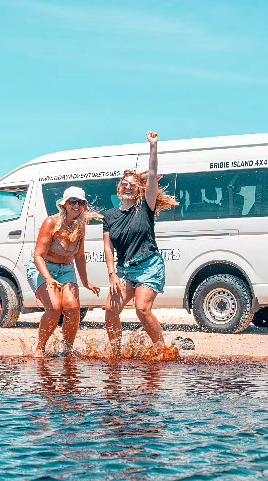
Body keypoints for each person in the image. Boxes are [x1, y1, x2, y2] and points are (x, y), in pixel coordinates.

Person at [103, 130, 179, 356]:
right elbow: (108, 247)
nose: (128, 187)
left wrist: (153, 146)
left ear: (140, 190)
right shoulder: (110, 216)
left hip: (149, 266)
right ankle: (116, 352)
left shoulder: (146, 207)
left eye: (133, 185)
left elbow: (153, 174)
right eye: (124, 184)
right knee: (110, 310)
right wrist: (112, 274)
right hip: (125, 270)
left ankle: (160, 349)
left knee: (142, 308)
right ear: (119, 188)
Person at [27, 185, 101, 357]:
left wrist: (86, 282)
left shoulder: (81, 226)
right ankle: (40, 347)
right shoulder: (51, 222)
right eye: (73, 201)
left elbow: (80, 257)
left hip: (66, 269)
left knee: (73, 307)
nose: (77, 206)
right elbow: (38, 255)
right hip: (44, 267)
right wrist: (48, 278)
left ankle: (67, 349)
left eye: (80, 202)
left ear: (84, 206)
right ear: (65, 205)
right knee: (54, 308)